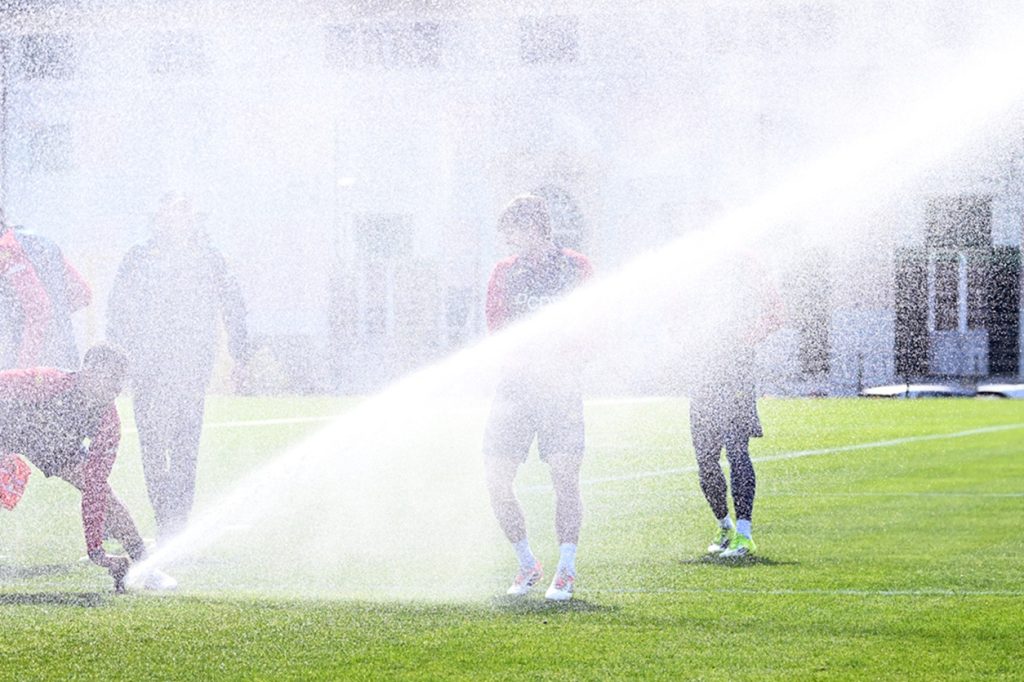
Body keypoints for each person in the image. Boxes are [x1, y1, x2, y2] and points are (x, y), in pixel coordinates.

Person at [107, 193, 249, 541]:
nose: (173, 221)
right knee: (153, 447)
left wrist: (240, 354)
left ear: (192, 220)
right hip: (147, 367)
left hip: (191, 366)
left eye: (182, 214)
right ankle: (164, 517)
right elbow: (118, 310)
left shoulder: (209, 258)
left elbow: (233, 304)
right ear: (156, 219)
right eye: (167, 214)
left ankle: (177, 523)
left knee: (185, 446)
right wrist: (115, 361)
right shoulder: (138, 257)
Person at [483, 194, 593, 601]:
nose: (508, 242)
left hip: (560, 390)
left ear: (532, 227)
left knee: (564, 477)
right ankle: (527, 562)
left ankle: (566, 569)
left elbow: (593, 324)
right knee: (496, 480)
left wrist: (564, 362)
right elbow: (496, 328)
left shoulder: (576, 267)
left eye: (512, 232)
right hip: (514, 390)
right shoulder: (504, 272)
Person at [0, 343, 175, 591]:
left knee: (107, 497)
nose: (118, 387)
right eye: (113, 377)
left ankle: (147, 567)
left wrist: (96, 550)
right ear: (89, 371)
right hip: (6, 432)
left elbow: (95, 488)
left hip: (55, 449)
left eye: (122, 380)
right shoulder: (47, 382)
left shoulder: (108, 423)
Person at [689, 251, 783, 559]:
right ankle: (724, 526)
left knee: (737, 450)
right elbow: (675, 308)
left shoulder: (746, 262)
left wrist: (750, 337)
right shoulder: (694, 264)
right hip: (703, 371)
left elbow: (775, 311)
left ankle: (745, 534)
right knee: (705, 459)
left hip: (737, 371)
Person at [0, 211, 93, 370]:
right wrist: (57, 316)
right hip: (66, 356)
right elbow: (83, 293)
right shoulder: (42, 242)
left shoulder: (7, 249)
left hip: (36, 370)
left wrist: (23, 368)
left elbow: (39, 309)